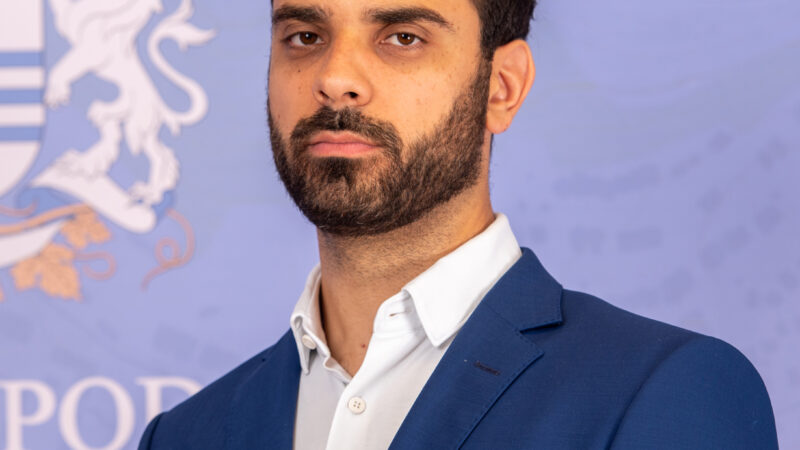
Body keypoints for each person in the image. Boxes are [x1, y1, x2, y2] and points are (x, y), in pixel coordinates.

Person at [139, 0, 778, 448]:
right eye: (305, 36)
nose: (334, 79)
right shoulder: (185, 436)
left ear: (502, 87)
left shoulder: (665, 392)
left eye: (402, 37)